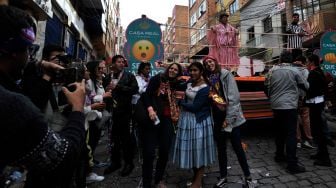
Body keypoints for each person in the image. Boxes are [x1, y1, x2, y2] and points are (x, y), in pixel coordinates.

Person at [0, 5, 86, 187]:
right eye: (29, 51)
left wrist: (38, 66)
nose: (30, 58)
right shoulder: (13, 106)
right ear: (14, 52)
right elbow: (63, 158)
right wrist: (78, 109)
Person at [203, 56, 253, 187]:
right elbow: (213, 99)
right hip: (217, 119)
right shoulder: (210, 79)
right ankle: (223, 177)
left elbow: (234, 100)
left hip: (231, 119)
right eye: (206, 63)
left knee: (238, 148)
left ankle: (248, 177)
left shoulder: (226, 75)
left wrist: (228, 121)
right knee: (221, 149)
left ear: (215, 62)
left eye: (210, 61)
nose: (208, 64)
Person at [140, 63, 184, 188]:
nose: (173, 70)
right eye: (171, 68)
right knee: (149, 152)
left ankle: (158, 179)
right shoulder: (158, 78)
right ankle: (147, 183)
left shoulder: (177, 84)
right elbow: (146, 95)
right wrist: (150, 110)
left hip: (168, 120)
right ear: (168, 69)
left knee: (164, 151)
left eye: (176, 69)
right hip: (153, 118)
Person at [264, 51, 309, 174]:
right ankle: (292, 164)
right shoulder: (295, 71)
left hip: (276, 106)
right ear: (291, 60)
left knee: (279, 132)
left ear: (280, 60)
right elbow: (306, 86)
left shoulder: (271, 71)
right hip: (289, 106)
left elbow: (265, 86)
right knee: (291, 134)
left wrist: (271, 98)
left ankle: (279, 156)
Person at [173, 62, 216, 188]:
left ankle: (197, 182)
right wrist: (173, 76)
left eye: (195, 70)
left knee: (199, 150)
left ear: (201, 71)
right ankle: (195, 178)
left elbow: (196, 107)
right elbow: (179, 85)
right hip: (187, 120)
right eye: (190, 70)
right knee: (193, 150)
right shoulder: (190, 82)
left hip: (199, 121)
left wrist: (180, 103)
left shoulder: (205, 87)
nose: (192, 73)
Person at [104, 55, 139, 177]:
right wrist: (107, 90)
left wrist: (118, 87)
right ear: (113, 64)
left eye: (123, 62)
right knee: (114, 139)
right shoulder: (108, 77)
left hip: (125, 112)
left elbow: (135, 89)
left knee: (126, 139)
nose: (121, 63)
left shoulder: (129, 76)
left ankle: (129, 163)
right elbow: (104, 92)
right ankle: (115, 162)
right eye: (118, 62)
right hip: (112, 112)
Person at [306, 54, 332, 167]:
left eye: (308, 61)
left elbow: (310, 89)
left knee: (318, 131)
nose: (306, 63)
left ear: (312, 62)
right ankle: (320, 153)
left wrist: (303, 87)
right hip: (319, 103)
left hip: (314, 104)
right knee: (318, 130)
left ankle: (325, 159)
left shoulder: (312, 74)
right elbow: (324, 88)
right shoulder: (320, 72)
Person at [293, 56, 315, 149]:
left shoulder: (292, 70)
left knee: (296, 120)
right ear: (303, 62)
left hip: (294, 98)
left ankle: (298, 140)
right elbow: (307, 85)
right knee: (306, 119)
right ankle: (309, 139)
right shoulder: (306, 71)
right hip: (304, 98)